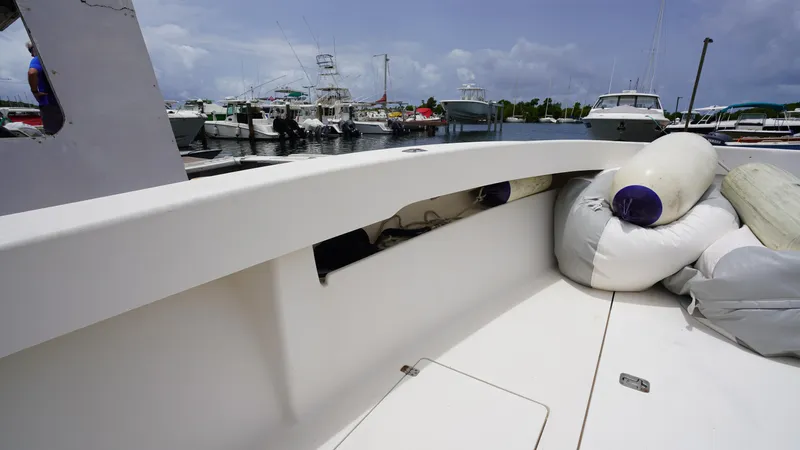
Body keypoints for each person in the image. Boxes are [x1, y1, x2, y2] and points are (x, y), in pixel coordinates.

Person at [26, 41, 63, 134]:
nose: (31, 54)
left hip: (49, 104)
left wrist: (34, 91)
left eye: (31, 50)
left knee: (53, 135)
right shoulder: (57, 60)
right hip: (64, 103)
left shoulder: (39, 59)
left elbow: (32, 72)